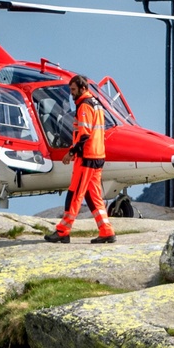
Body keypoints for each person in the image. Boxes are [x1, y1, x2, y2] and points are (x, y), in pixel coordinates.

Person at [44, 75, 116, 244]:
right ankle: (106, 230)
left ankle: (63, 230)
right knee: (93, 196)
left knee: (75, 193)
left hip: (87, 157)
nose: (71, 94)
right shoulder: (96, 103)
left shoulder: (84, 106)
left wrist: (71, 152)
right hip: (98, 155)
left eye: (74, 90)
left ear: (83, 88)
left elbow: (84, 134)